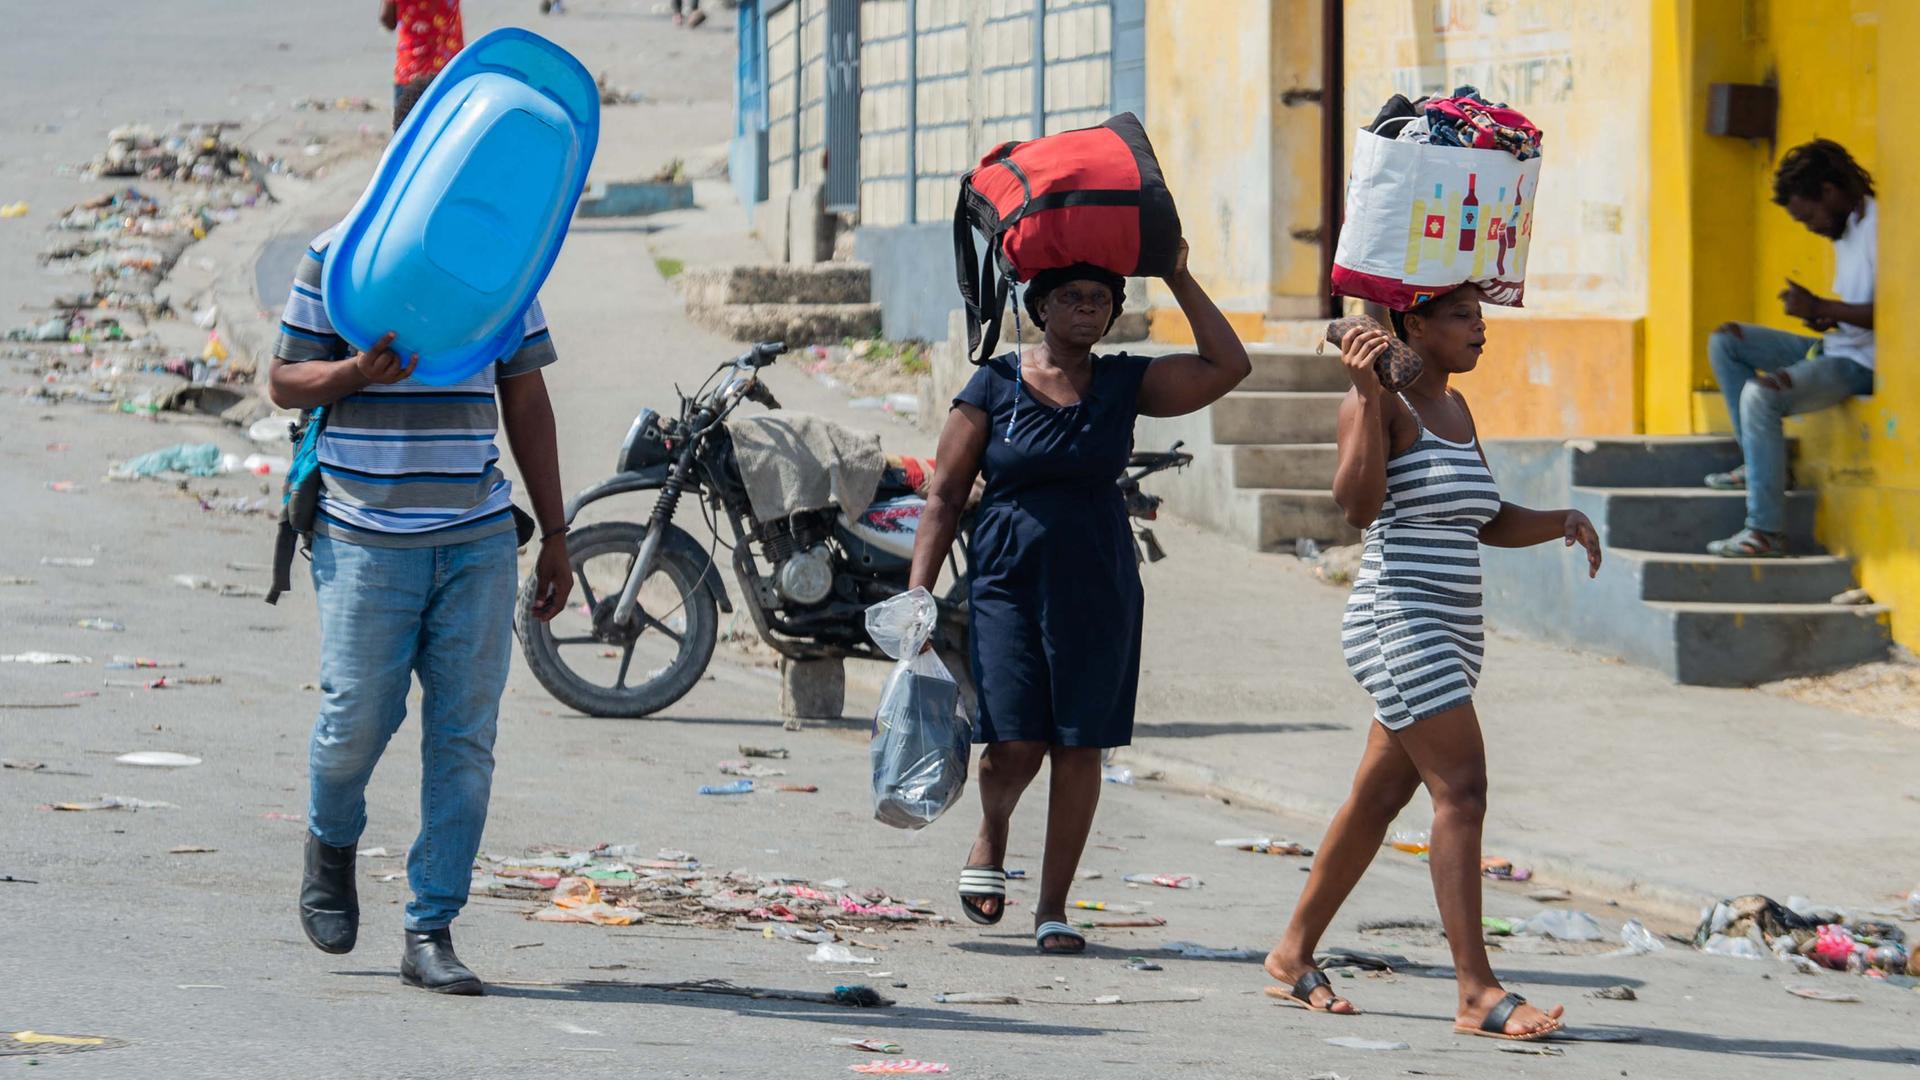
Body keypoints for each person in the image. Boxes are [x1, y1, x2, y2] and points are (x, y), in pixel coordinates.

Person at [1261, 286, 1602, 1040]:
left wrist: (1560, 522)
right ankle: (1476, 991)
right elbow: (1355, 506)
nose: (1480, 327)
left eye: (1480, 315)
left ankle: (1291, 954)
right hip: (1397, 621)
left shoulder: (1456, 410)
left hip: (1449, 630)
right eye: (1461, 316)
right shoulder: (1379, 404)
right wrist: (1362, 391)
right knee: (1464, 791)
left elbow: (1484, 518)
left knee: (1378, 802)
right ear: (1413, 324)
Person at [908, 244, 1251, 954]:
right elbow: (943, 495)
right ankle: (992, 831)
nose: (1087, 311)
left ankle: (1054, 908)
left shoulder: (1126, 383)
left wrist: (1180, 273)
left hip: (1098, 581)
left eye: (1101, 300)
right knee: (1013, 739)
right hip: (1005, 578)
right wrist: (918, 594)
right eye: (1072, 299)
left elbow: (1228, 367)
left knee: (1079, 744)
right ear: (1039, 308)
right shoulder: (994, 385)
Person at [269, 234, 572, 995]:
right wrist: (353, 373)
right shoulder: (340, 255)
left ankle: (430, 926)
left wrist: (558, 536)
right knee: (354, 722)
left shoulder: (504, 253)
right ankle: (331, 843)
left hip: (476, 536)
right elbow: (282, 379)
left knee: (464, 740)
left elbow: (526, 393)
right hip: (363, 534)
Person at [1702, 139, 1876, 557]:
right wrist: (1822, 315)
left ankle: (1765, 532)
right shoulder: (1847, 227)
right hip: (1838, 345)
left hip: (1863, 362)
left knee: (1761, 396)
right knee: (1727, 341)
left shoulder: (1885, 227)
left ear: (1830, 192)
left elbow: (1897, 315)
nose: (1811, 227)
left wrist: (1820, 306)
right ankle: (1762, 467)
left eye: (1809, 215)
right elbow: (1858, 310)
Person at [381, 0, 464, 130]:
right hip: (449, 69)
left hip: (411, 71)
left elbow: (387, 19)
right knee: (449, 132)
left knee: (407, 135)